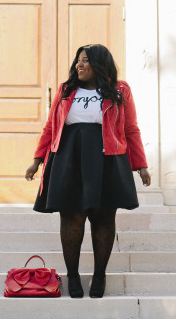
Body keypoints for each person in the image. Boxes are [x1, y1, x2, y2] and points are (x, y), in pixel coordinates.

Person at [25, 44, 151, 299]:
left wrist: (141, 165)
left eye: (85, 61)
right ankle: (72, 275)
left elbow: (131, 129)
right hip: (68, 157)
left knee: (103, 217)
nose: (79, 66)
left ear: (99, 64)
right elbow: (51, 126)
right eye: (78, 61)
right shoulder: (66, 89)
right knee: (71, 217)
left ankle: (99, 275)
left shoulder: (120, 90)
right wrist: (37, 160)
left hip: (107, 158)